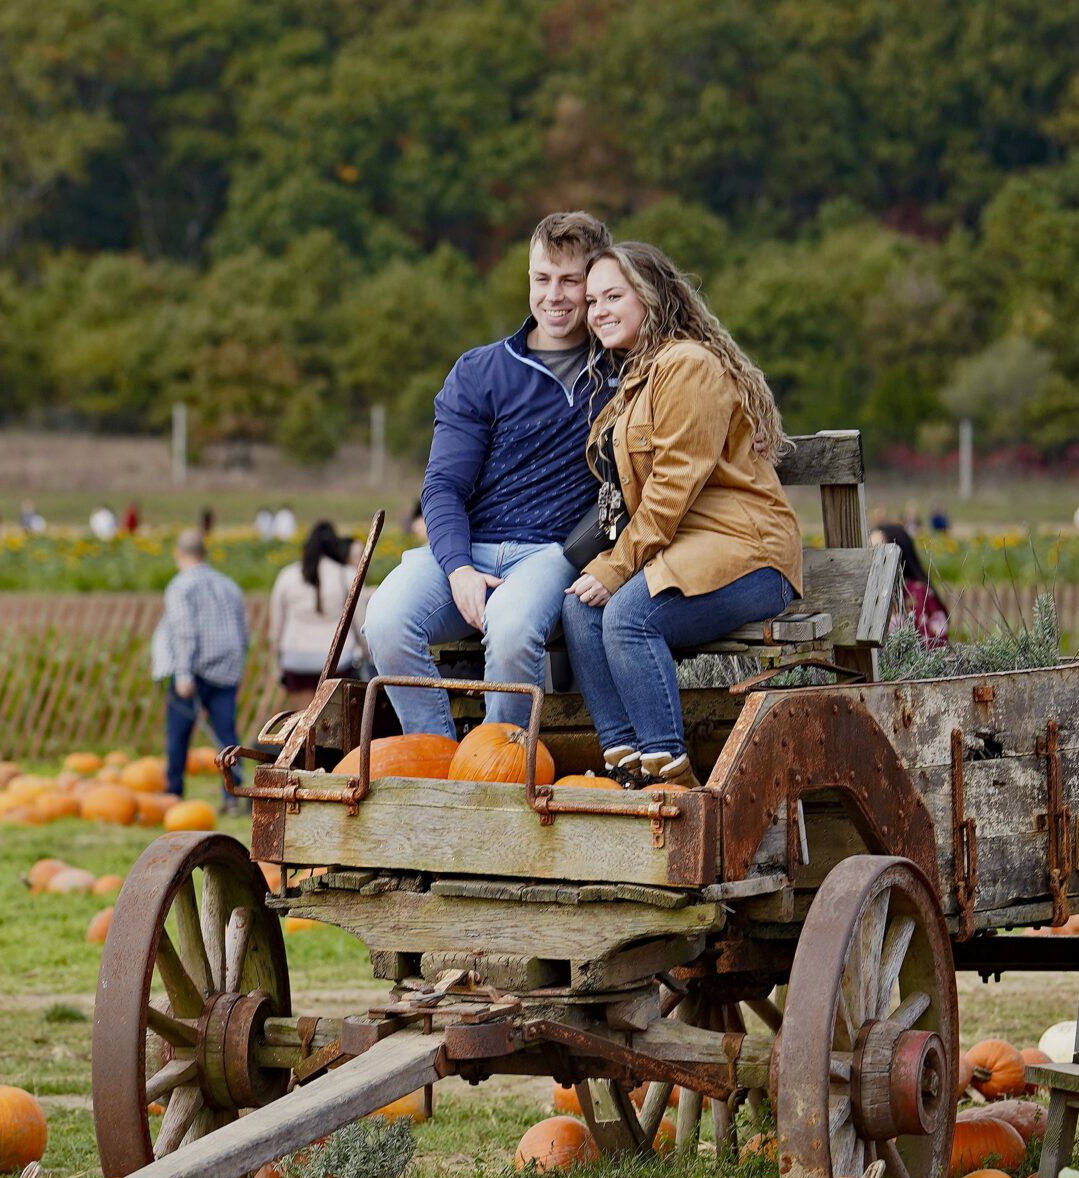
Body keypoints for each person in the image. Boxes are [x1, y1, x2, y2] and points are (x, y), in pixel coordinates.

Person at [560, 241, 801, 789]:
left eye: (613, 296)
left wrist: (616, 566)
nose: (598, 311)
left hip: (748, 554)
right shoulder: (638, 377)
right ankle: (626, 768)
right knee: (579, 611)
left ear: (651, 296)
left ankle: (671, 778)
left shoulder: (689, 367)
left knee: (627, 616)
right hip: (685, 551)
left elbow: (671, 488)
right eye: (592, 300)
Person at [362, 211, 612, 736]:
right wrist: (457, 569)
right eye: (542, 278)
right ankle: (435, 757)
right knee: (385, 620)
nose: (554, 295)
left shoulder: (623, 373)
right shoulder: (480, 371)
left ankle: (501, 764)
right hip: (468, 548)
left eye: (570, 281)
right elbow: (443, 487)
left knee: (513, 630)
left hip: (551, 554)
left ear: (594, 283)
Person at [153, 529, 247, 799]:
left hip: (194, 672)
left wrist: (183, 674)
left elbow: (185, 631)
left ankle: (174, 792)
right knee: (226, 737)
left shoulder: (180, 586)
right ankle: (234, 794)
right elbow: (243, 631)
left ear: (179, 554)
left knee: (178, 735)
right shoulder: (228, 585)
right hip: (226, 671)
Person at [271, 521, 370, 692]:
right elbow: (361, 623)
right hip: (338, 663)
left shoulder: (287, 575)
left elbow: (276, 626)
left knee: (302, 709)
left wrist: (276, 662)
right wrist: (367, 655)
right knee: (334, 709)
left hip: (295, 659)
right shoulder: (346, 575)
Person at [873, 522, 947, 646]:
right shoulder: (872, 592)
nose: (872, 557)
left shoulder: (917, 593)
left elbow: (929, 647)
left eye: (877, 550)